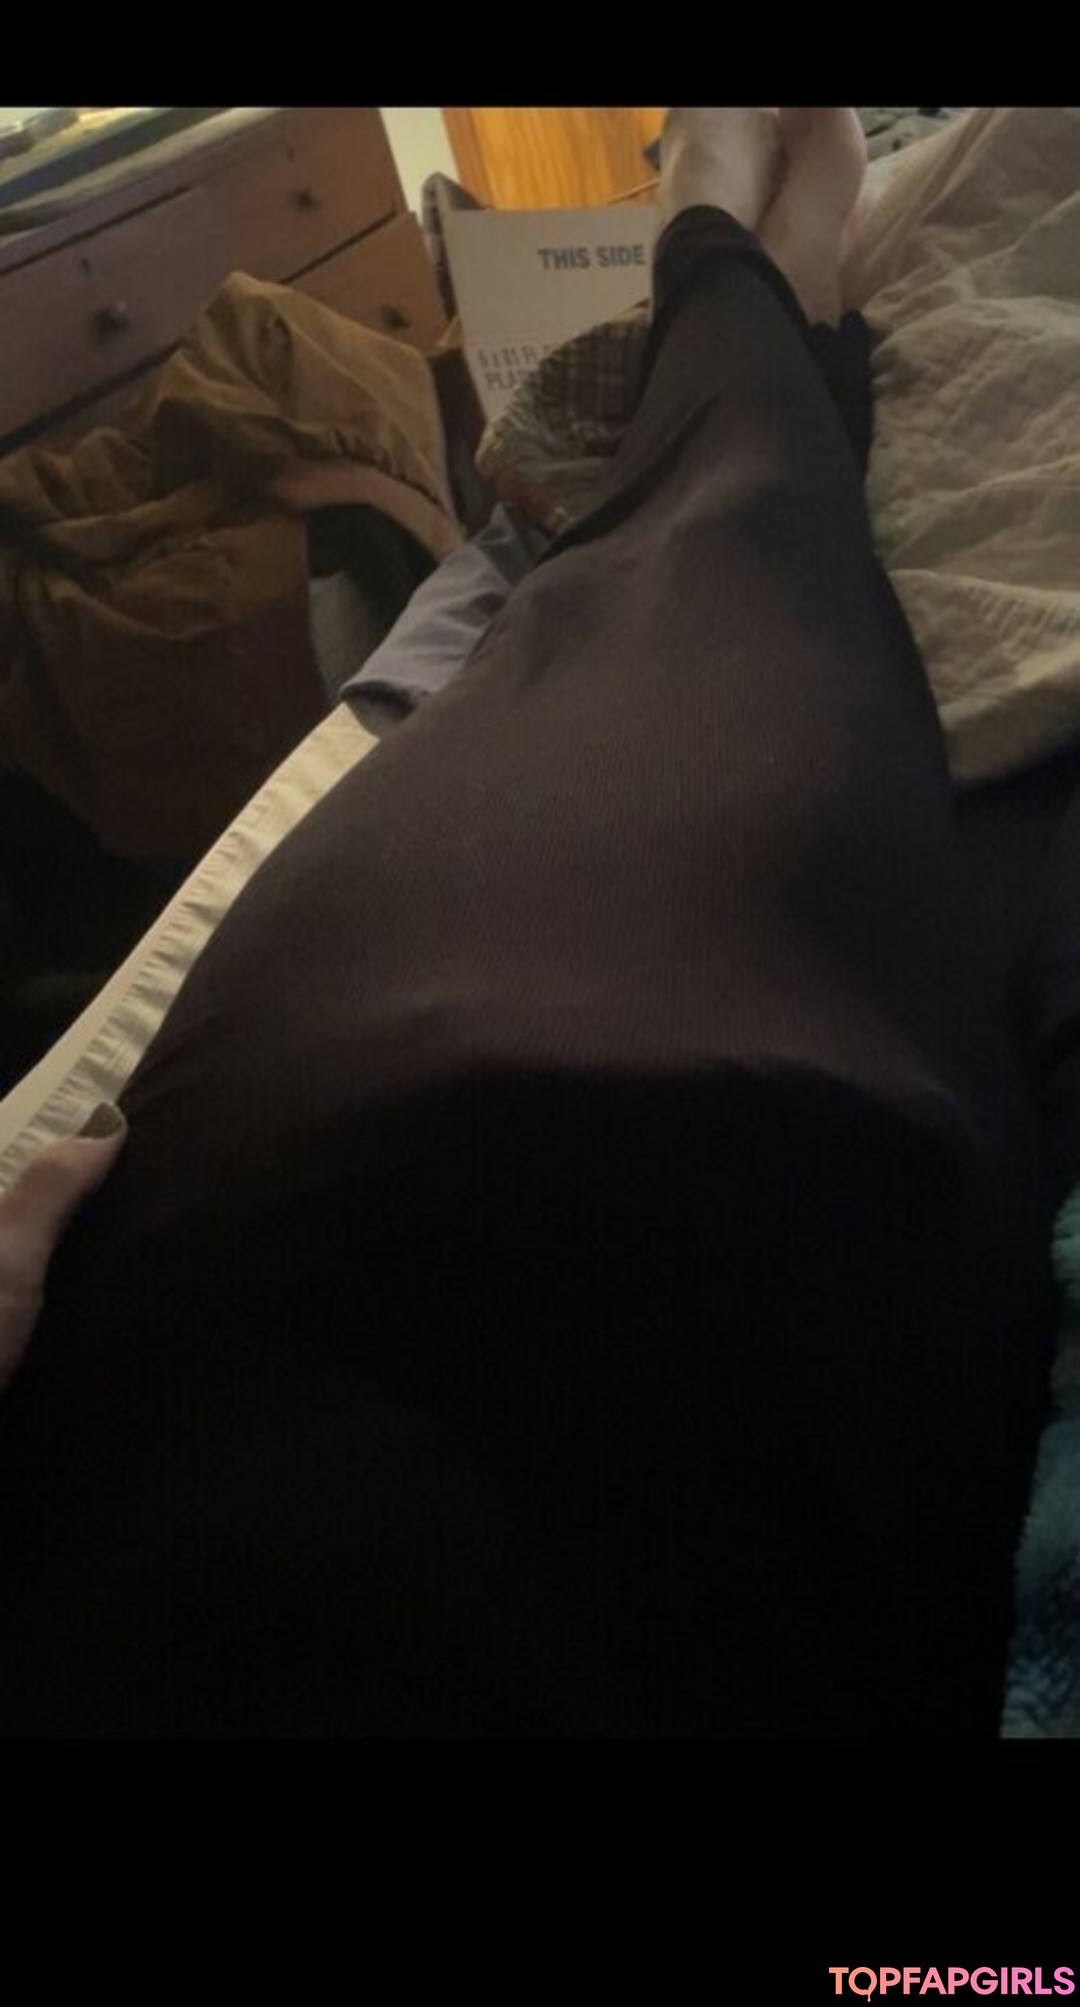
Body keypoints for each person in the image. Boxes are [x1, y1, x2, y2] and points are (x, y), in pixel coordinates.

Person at [0, 111, 1057, 1737]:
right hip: (718, 1203)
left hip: (248, 1292)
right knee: (714, 583)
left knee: (618, 608)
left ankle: (738, 283)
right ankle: (744, 289)